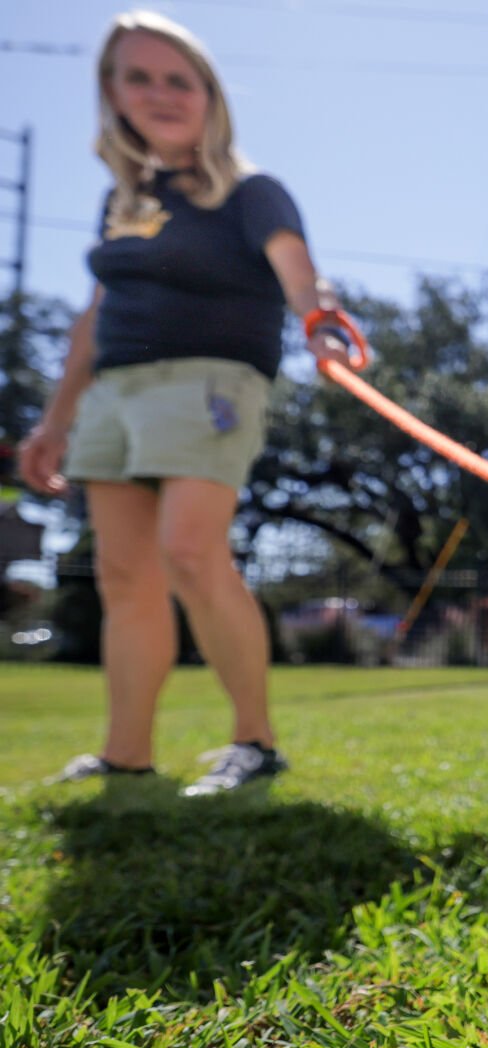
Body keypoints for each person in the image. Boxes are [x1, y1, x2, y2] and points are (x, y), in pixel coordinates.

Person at [17, 11, 350, 794]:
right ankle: (127, 754)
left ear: (210, 94)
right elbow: (94, 319)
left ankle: (255, 741)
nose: (160, 94)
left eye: (179, 79)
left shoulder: (251, 190)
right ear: (112, 93)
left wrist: (319, 320)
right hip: (115, 393)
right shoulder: (121, 201)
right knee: (125, 578)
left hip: (208, 384)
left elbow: (301, 270)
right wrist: (56, 421)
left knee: (191, 553)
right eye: (140, 77)